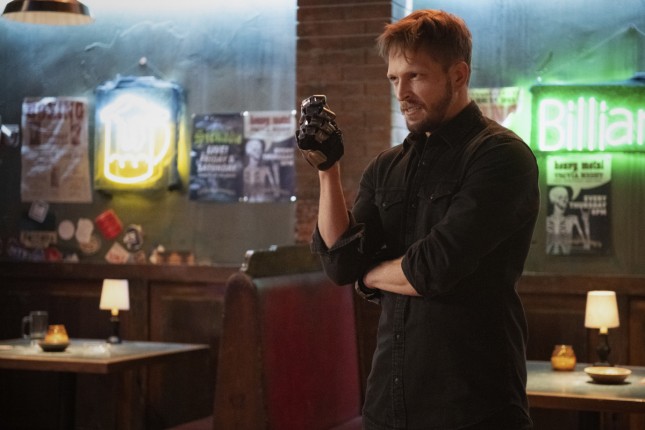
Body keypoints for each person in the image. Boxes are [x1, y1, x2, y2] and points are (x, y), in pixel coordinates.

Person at [296, 9, 540, 430]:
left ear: (458, 75)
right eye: (394, 79)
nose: (401, 93)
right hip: (387, 406)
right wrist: (327, 169)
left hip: (472, 409)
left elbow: (432, 268)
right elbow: (339, 263)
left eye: (416, 76)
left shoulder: (500, 156)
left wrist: (367, 275)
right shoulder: (386, 166)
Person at [546, 186, 590, 255]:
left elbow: (587, 246)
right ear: (554, 200)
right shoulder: (546, 221)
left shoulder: (572, 219)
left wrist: (586, 223)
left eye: (566, 197)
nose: (565, 200)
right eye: (560, 197)